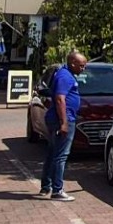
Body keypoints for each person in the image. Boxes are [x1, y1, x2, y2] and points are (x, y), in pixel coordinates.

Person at [42, 52, 88, 200]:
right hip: (61, 120)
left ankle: (46, 185)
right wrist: (64, 122)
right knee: (61, 155)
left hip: (59, 119)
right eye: (81, 66)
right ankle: (57, 190)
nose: (83, 69)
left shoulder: (66, 74)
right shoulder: (65, 76)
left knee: (53, 153)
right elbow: (60, 99)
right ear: (73, 63)